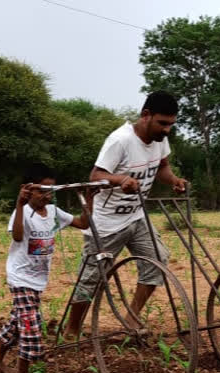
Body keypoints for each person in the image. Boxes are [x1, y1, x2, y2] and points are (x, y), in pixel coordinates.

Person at [64, 91, 187, 338]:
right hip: (107, 223)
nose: (167, 130)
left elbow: (162, 167)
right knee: (91, 279)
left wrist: (173, 180)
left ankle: (131, 317)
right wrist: (121, 180)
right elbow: (96, 176)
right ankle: (72, 330)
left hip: (136, 217)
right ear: (145, 115)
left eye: (171, 124)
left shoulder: (160, 140)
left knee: (158, 260)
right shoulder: (120, 141)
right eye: (162, 123)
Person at [0, 164, 94, 373]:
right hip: (20, 277)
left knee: (16, 323)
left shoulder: (54, 213)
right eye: (42, 190)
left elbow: (83, 222)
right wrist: (19, 205)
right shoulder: (23, 213)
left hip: (38, 279)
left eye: (51, 191)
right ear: (28, 190)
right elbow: (18, 237)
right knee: (31, 325)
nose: (47, 195)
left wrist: (88, 199)